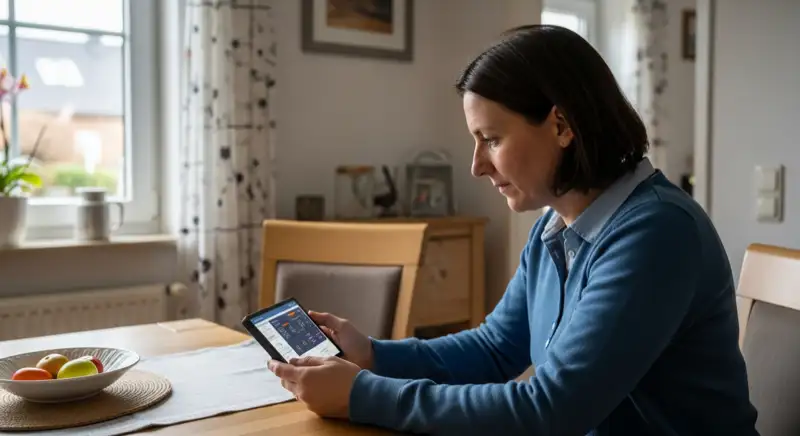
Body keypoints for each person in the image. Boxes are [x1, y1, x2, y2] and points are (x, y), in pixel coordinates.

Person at [268, 24, 759, 435]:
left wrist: (360, 393)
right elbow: (494, 348)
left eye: (492, 139)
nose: (477, 166)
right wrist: (373, 355)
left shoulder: (656, 234)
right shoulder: (555, 227)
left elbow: (552, 410)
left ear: (562, 126)